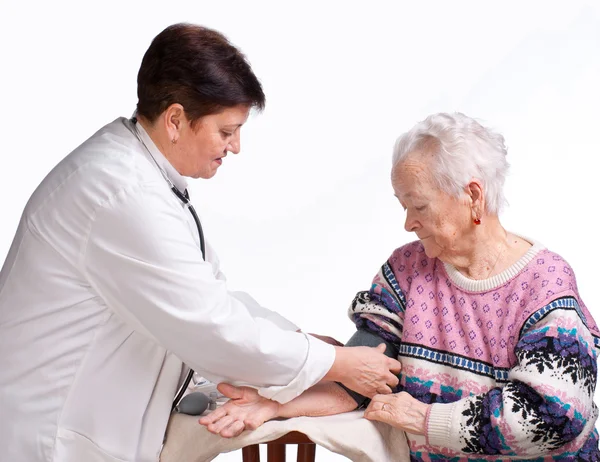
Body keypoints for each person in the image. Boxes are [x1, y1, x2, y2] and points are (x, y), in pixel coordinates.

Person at [0, 23, 402, 462]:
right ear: (175, 120)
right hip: (51, 433)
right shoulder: (122, 194)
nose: (236, 147)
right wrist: (335, 364)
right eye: (226, 131)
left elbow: (208, 296)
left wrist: (301, 341)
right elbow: (211, 327)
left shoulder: (139, 172)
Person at [200, 112, 600, 461]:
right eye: (403, 206)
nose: (408, 222)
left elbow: (553, 416)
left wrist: (424, 419)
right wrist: (275, 406)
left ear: (472, 196)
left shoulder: (545, 287)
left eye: (419, 206)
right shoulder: (408, 269)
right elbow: (362, 377)